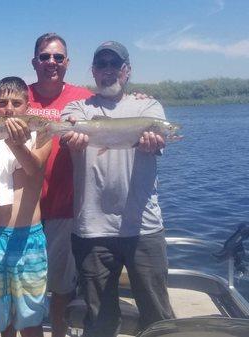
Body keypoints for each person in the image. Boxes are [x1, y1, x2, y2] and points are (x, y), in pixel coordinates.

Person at [0, 33, 93, 337]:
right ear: (35, 62)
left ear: (67, 62)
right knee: (13, 300)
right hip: (19, 216)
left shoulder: (83, 97)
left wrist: (136, 98)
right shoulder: (16, 98)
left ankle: (57, 332)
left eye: (58, 57)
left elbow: (111, 111)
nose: (51, 62)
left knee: (59, 289)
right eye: (45, 57)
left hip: (62, 208)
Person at [60, 41, 175, 337]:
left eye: (115, 65)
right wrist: (68, 136)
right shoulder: (77, 109)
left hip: (143, 228)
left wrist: (157, 140)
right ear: (94, 71)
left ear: (126, 71)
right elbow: (64, 128)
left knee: (158, 315)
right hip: (92, 229)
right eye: (102, 65)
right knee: (98, 319)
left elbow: (162, 136)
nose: (108, 71)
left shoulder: (148, 107)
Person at [0, 76, 53, 337]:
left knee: (29, 320)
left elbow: (35, 168)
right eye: (2, 103)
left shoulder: (43, 131)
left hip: (28, 238)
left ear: (27, 106)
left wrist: (15, 143)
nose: (9, 109)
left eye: (16, 102)